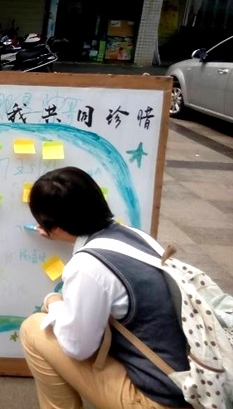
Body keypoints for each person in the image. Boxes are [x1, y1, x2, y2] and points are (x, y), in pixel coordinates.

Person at [20, 166, 190, 409]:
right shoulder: (134, 236)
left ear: (54, 227)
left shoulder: (87, 266)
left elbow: (77, 348)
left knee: (33, 329)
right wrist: (58, 232)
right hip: (187, 383)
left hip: (157, 399)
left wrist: (54, 303)